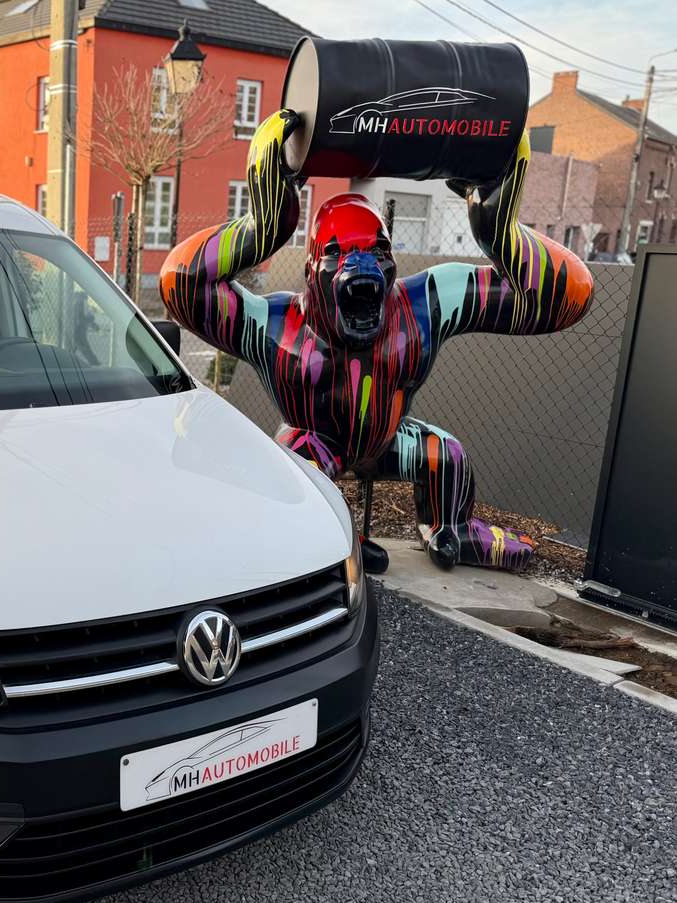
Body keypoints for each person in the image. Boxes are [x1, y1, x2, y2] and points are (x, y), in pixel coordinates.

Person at [160, 109, 594, 572]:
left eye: (378, 250)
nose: (361, 267)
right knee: (298, 469)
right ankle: (332, 536)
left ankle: (452, 529)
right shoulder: (276, 324)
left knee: (444, 455)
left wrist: (500, 231)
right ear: (311, 270)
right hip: (314, 446)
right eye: (336, 253)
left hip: (387, 443)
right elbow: (180, 283)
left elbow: (563, 297)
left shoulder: (424, 305)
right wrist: (264, 226)